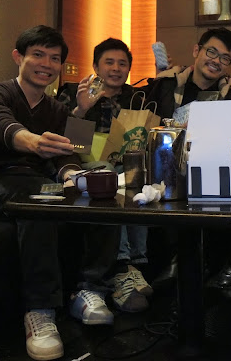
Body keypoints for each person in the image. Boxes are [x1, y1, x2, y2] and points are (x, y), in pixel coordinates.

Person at [0, 26, 122, 361]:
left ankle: (90, 289)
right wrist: (33, 141)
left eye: (54, 59)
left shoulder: (54, 107)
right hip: (1, 180)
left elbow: (71, 150)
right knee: (39, 199)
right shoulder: (1, 92)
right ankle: (40, 310)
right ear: (18, 57)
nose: (47, 64)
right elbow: (3, 125)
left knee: (102, 185)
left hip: (39, 179)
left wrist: (71, 175)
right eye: (38, 55)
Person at [57, 38, 152, 313]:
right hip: (82, 166)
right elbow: (64, 143)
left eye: (122, 64)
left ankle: (136, 263)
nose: (116, 68)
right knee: (107, 173)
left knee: (137, 174)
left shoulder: (136, 98)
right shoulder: (73, 92)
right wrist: (82, 109)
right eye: (109, 62)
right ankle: (121, 266)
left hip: (122, 164)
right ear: (96, 66)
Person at [144, 27, 231, 120]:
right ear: (196, 51)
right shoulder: (168, 84)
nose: (216, 61)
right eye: (212, 52)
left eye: (225, 58)